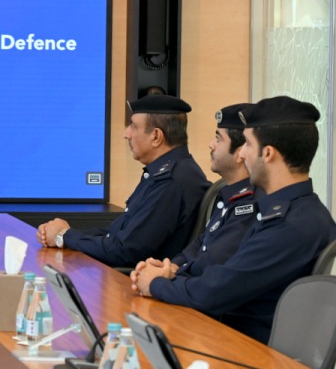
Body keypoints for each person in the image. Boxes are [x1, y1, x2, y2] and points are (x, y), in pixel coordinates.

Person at [133, 96, 336, 343]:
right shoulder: (296, 212)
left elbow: (216, 291)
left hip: (245, 349)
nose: (243, 155)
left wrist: (155, 284)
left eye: (248, 145)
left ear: (268, 153)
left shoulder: (290, 226)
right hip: (232, 338)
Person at [37, 94, 209, 267]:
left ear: (156, 136)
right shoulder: (168, 172)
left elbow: (125, 251)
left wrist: (64, 236)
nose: (126, 134)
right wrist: (67, 234)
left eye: (133, 127)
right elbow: (117, 234)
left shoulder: (172, 181)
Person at [130, 103, 257, 286]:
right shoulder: (227, 194)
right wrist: (171, 265)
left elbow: (214, 260)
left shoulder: (250, 203)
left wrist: (170, 273)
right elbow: (201, 242)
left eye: (218, 139)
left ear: (240, 153)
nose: (211, 145)